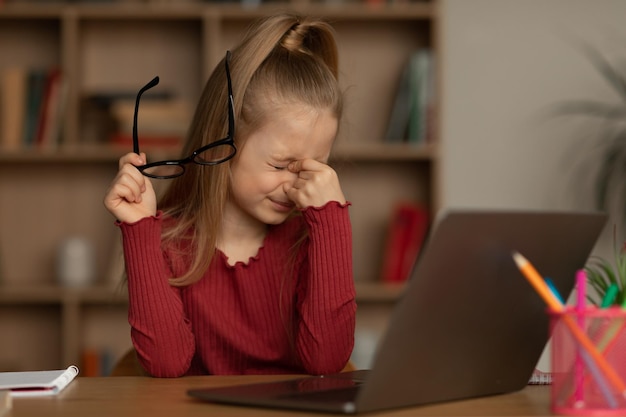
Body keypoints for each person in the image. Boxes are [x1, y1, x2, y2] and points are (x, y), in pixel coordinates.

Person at [103, 13, 356, 377]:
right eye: (281, 164)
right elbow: (166, 364)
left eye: (316, 166)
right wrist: (141, 229)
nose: (295, 185)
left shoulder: (312, 238)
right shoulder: (170, 242)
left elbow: (328, 362)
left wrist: (332, 221)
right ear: (222, 141)